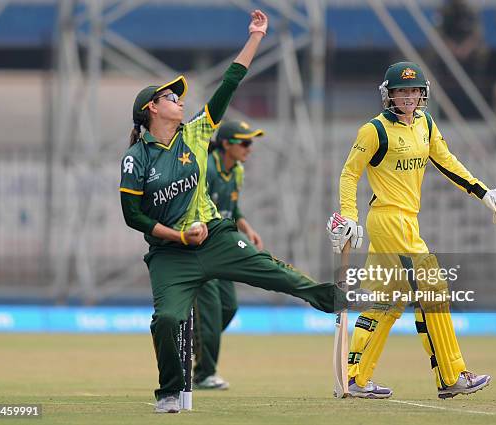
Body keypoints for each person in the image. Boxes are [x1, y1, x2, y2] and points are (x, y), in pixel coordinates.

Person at [120, 10, 344, 413]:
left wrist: (256, 37)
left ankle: (334, 301)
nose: (179, 100)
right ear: (151, 109)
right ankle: (170, 392)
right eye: (171, 97)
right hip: (171, 255)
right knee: (168, 321)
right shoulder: (136, 159)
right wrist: (178, 236)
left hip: (217, 237)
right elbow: (132, 216)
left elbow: (230, 82)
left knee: (277, 273)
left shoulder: (197, 132)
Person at [327, 62, 496, 399]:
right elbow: (349, 173)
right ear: (390, 95)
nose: (408, 97)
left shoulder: (425, 123)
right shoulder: (375, 131)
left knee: (388, 301)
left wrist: (483, 193)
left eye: (413, 91)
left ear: (422, 93)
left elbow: (447, 161)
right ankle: (452, 374)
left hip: (407, 220)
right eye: (401, 91)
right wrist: (349, 215)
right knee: (434, 287)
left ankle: (355, 377)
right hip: (387, 219)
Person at [193, 120, 264, 390]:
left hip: (222, 246)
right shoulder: (207, 168)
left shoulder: (236, 171)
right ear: (226, 144)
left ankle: (193, 344)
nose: (249, 148)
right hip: (201, 249)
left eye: (251, 143)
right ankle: (204, 374)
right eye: (244, 143)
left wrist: (247, 228)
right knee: (210, 310)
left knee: (228, 307)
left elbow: (232, 209)